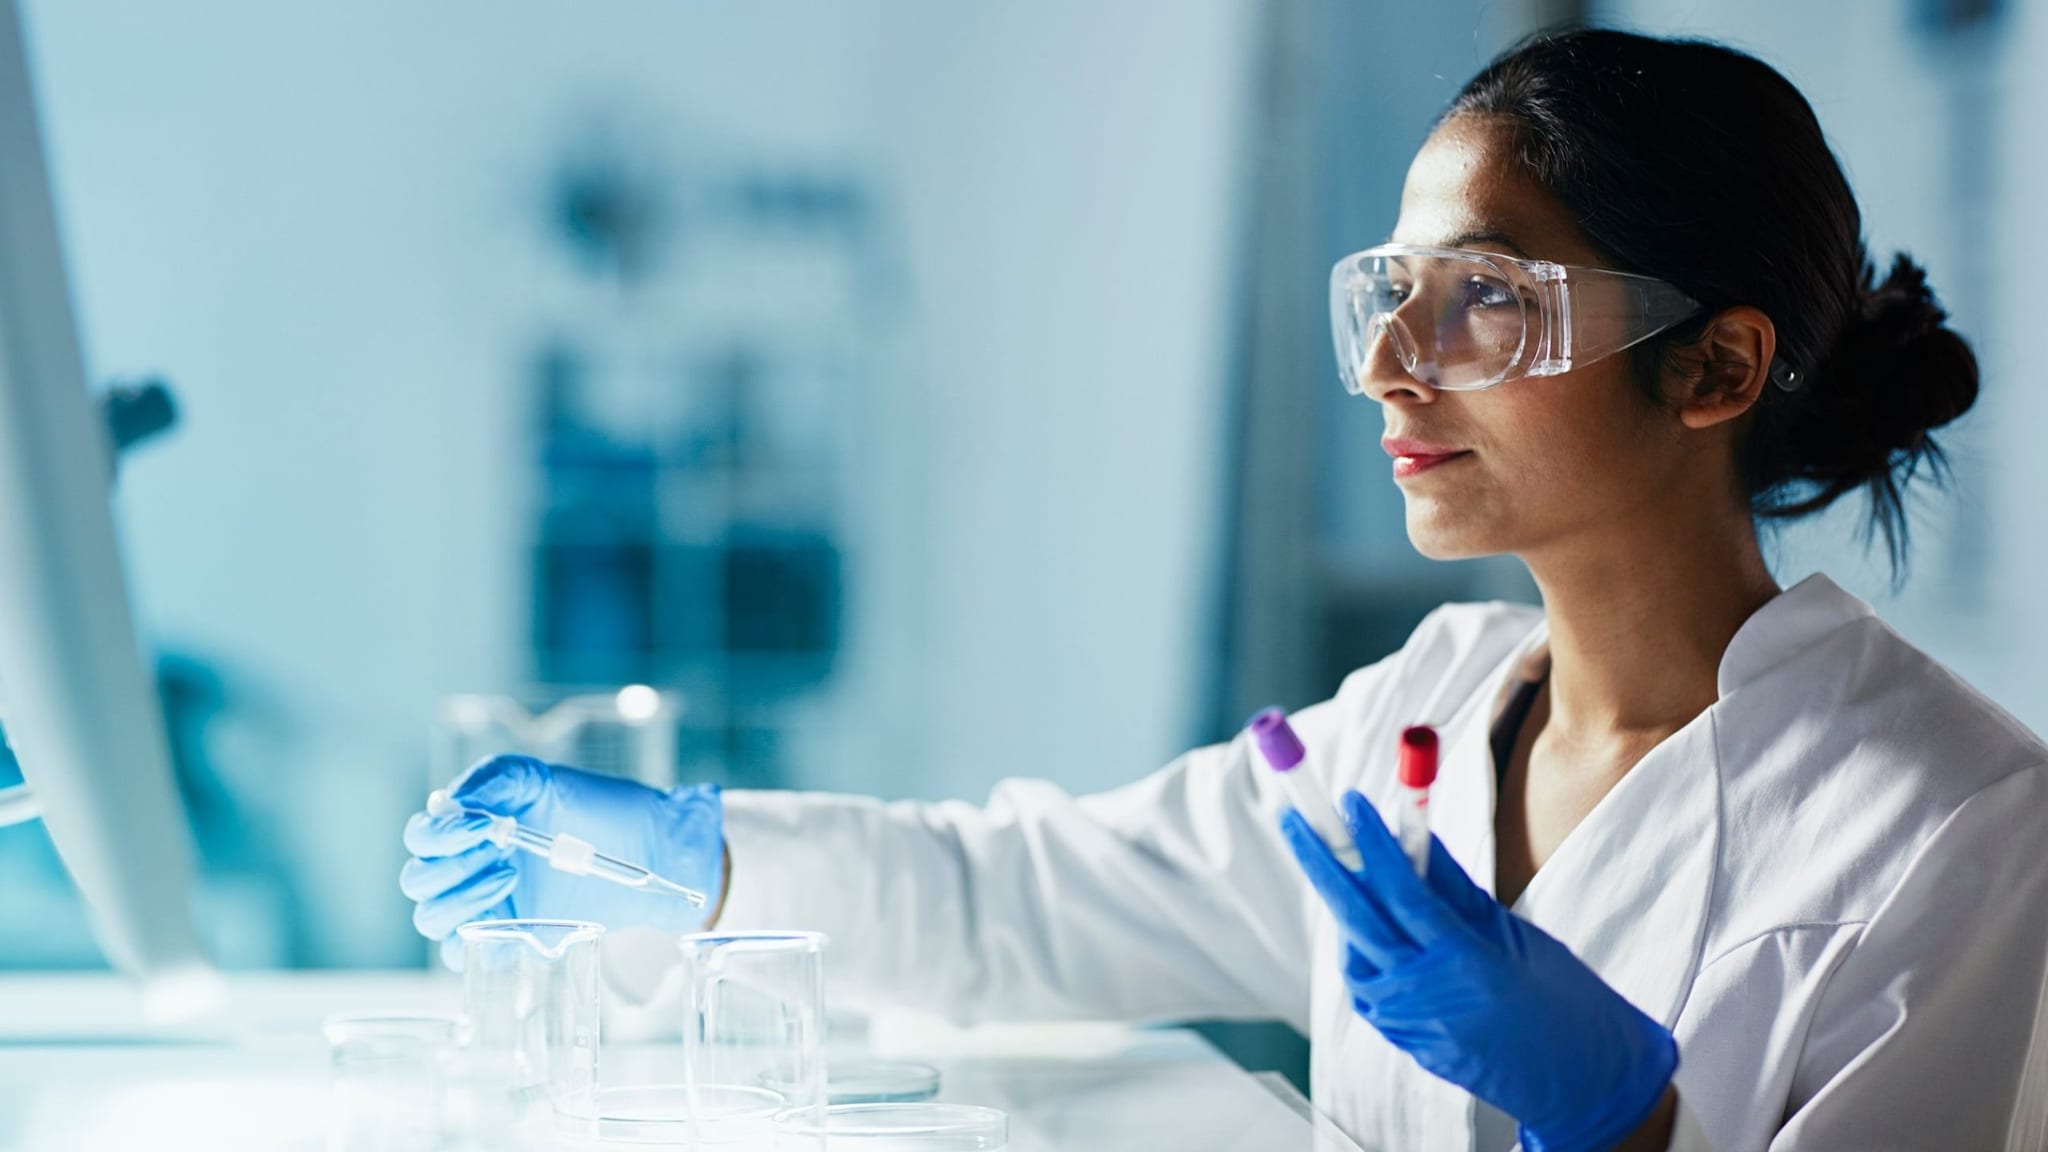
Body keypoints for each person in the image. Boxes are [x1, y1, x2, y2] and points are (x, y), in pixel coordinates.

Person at [400, 29, 2048, 1152]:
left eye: (1480, 298)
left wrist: (1627, 1123)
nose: (1392, 369)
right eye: (1387, 295)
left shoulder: (1956, 821)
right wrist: (695, 861)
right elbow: (1018, 905)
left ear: (1716, 366)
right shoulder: (1414, 724)